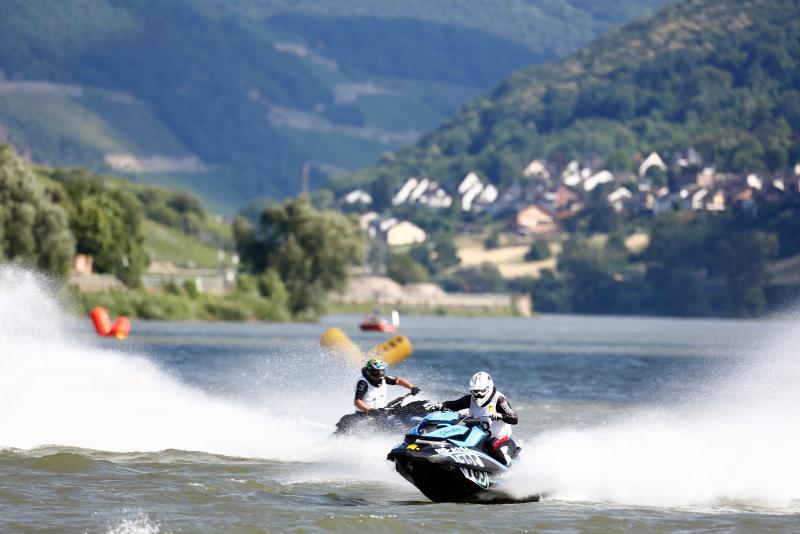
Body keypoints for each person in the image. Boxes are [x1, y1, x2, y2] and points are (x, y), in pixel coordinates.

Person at [431, 371, 519, 465]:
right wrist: (441, 405)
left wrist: (501, 416)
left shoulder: (499, 399)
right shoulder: (469, 399)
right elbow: (454, 404)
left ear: (488, 388)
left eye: (482, 391)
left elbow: (514, 418)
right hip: (478, 438)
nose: (478, 394)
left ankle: (509, 468)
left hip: (499, 439)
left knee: (501, 458)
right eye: (475, 391)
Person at [354, 358, 420, 412]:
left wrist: (412, 387)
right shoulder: (363, 383)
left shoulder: (383, 379)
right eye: (377, 372)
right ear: (369, 371)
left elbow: (399, 381)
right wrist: (370, 411)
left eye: (381, 371)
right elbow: (357, 402)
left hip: (380, 413)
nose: (380, 374)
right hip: (364, 414)